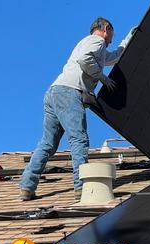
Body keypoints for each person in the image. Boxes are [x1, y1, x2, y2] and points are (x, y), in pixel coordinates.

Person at [19, 17, 135, 201]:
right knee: (79, 139)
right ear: (106, 29)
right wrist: (101, 77)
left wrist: (128, 39)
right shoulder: (96, 41)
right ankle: (81, 188)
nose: (112, 38)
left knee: (47, 144)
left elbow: (112, 58)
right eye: (112, 33)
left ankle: (27, 186)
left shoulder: (91, 44)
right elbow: (84, 59)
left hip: (54, 92)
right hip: (69, 92)